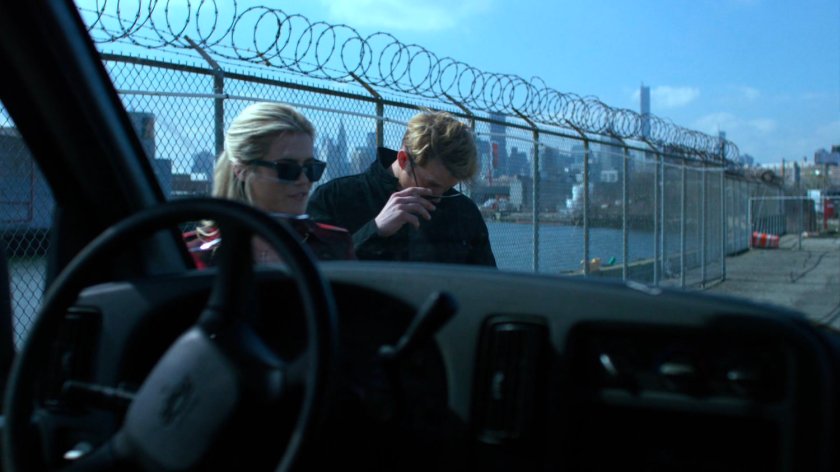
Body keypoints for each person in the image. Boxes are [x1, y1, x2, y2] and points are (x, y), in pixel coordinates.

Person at [307, 110, 496, 266]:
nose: (438, 197)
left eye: (448, 188)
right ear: (403, 159)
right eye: (431, 185)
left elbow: (488, 288)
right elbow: (310, 276)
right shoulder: (335, 198)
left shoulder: (463, 211)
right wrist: (375, 230)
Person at [184, 102, 355, 267]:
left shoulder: (334, 243)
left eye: (312, 168)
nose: (304, 180)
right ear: (242, 170)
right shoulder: (193, 254)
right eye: (287, 168)